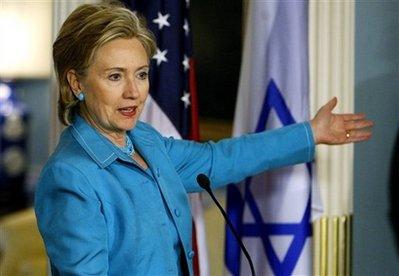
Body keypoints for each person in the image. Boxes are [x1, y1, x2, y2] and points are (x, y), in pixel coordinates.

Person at [34, 3, 373, 276]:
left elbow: (218, 160)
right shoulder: (70, 176)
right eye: (114, 76)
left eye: (141, 74)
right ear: (76, 83)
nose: (133, 93)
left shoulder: (144, 141)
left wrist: (309, 133)